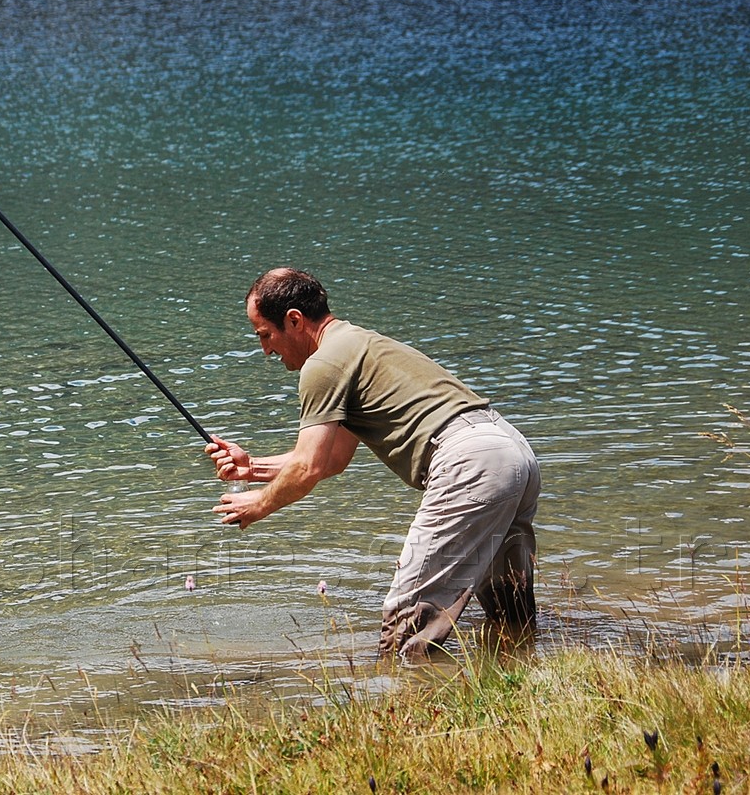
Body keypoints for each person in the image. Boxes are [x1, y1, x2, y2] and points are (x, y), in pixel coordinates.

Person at [207, 268, 539, 659]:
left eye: (266, 334)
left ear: (294, 320)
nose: (266, 350)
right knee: (509, 608)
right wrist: (252, 468)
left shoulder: (322, 366)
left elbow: (308, 469)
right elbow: (332, 459)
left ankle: (400, 708)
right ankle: (523, 679)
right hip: (510, 450)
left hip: (470, 463)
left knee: (409, 617)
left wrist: (258, 503)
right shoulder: (358, 344)